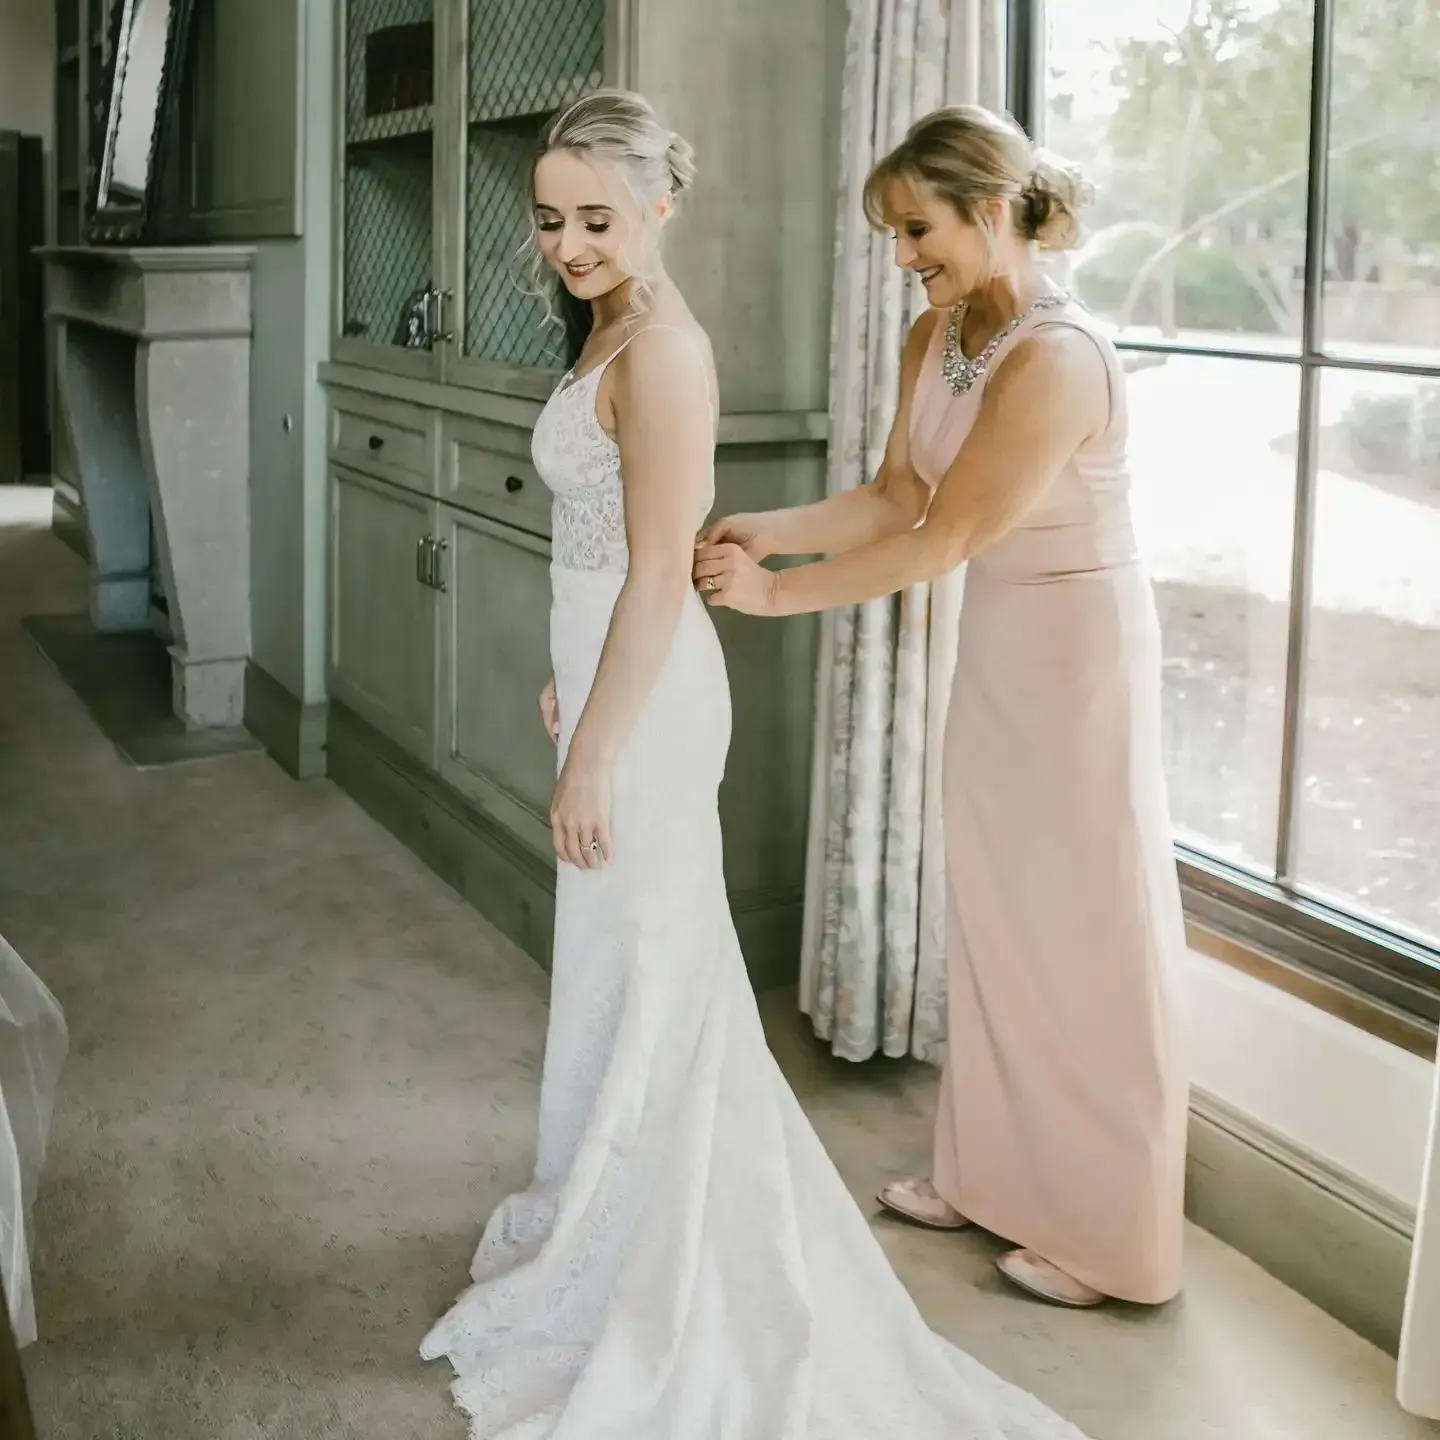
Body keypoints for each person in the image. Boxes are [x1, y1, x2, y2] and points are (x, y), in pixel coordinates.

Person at [421, 89, 1094, 1438]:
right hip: (617, 680)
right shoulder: (609, 325)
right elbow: (602, 553)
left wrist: (594, 752)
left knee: (664, 975)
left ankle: (678, 1265)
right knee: (619, 975)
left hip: (653, 709)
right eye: (549, 221)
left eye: (598, 219)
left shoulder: (666, 353)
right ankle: (608, 1216)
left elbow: (656, 576)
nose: (570, 245)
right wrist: (574, 672)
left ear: (661, 206)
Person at [695, 103, 1189, 1311]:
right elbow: (893, 495)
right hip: (1002, 642)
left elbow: (946, 536)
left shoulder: (1059, 359)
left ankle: (1111, 1240)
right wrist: (770, 530)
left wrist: (774, 597)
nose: (903, 256)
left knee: (1085, 936)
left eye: (918, 230)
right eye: (894, 234)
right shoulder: (940, 331)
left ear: (992, 208)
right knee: (996, 915)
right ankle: (990, 1179)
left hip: (1079, 654)